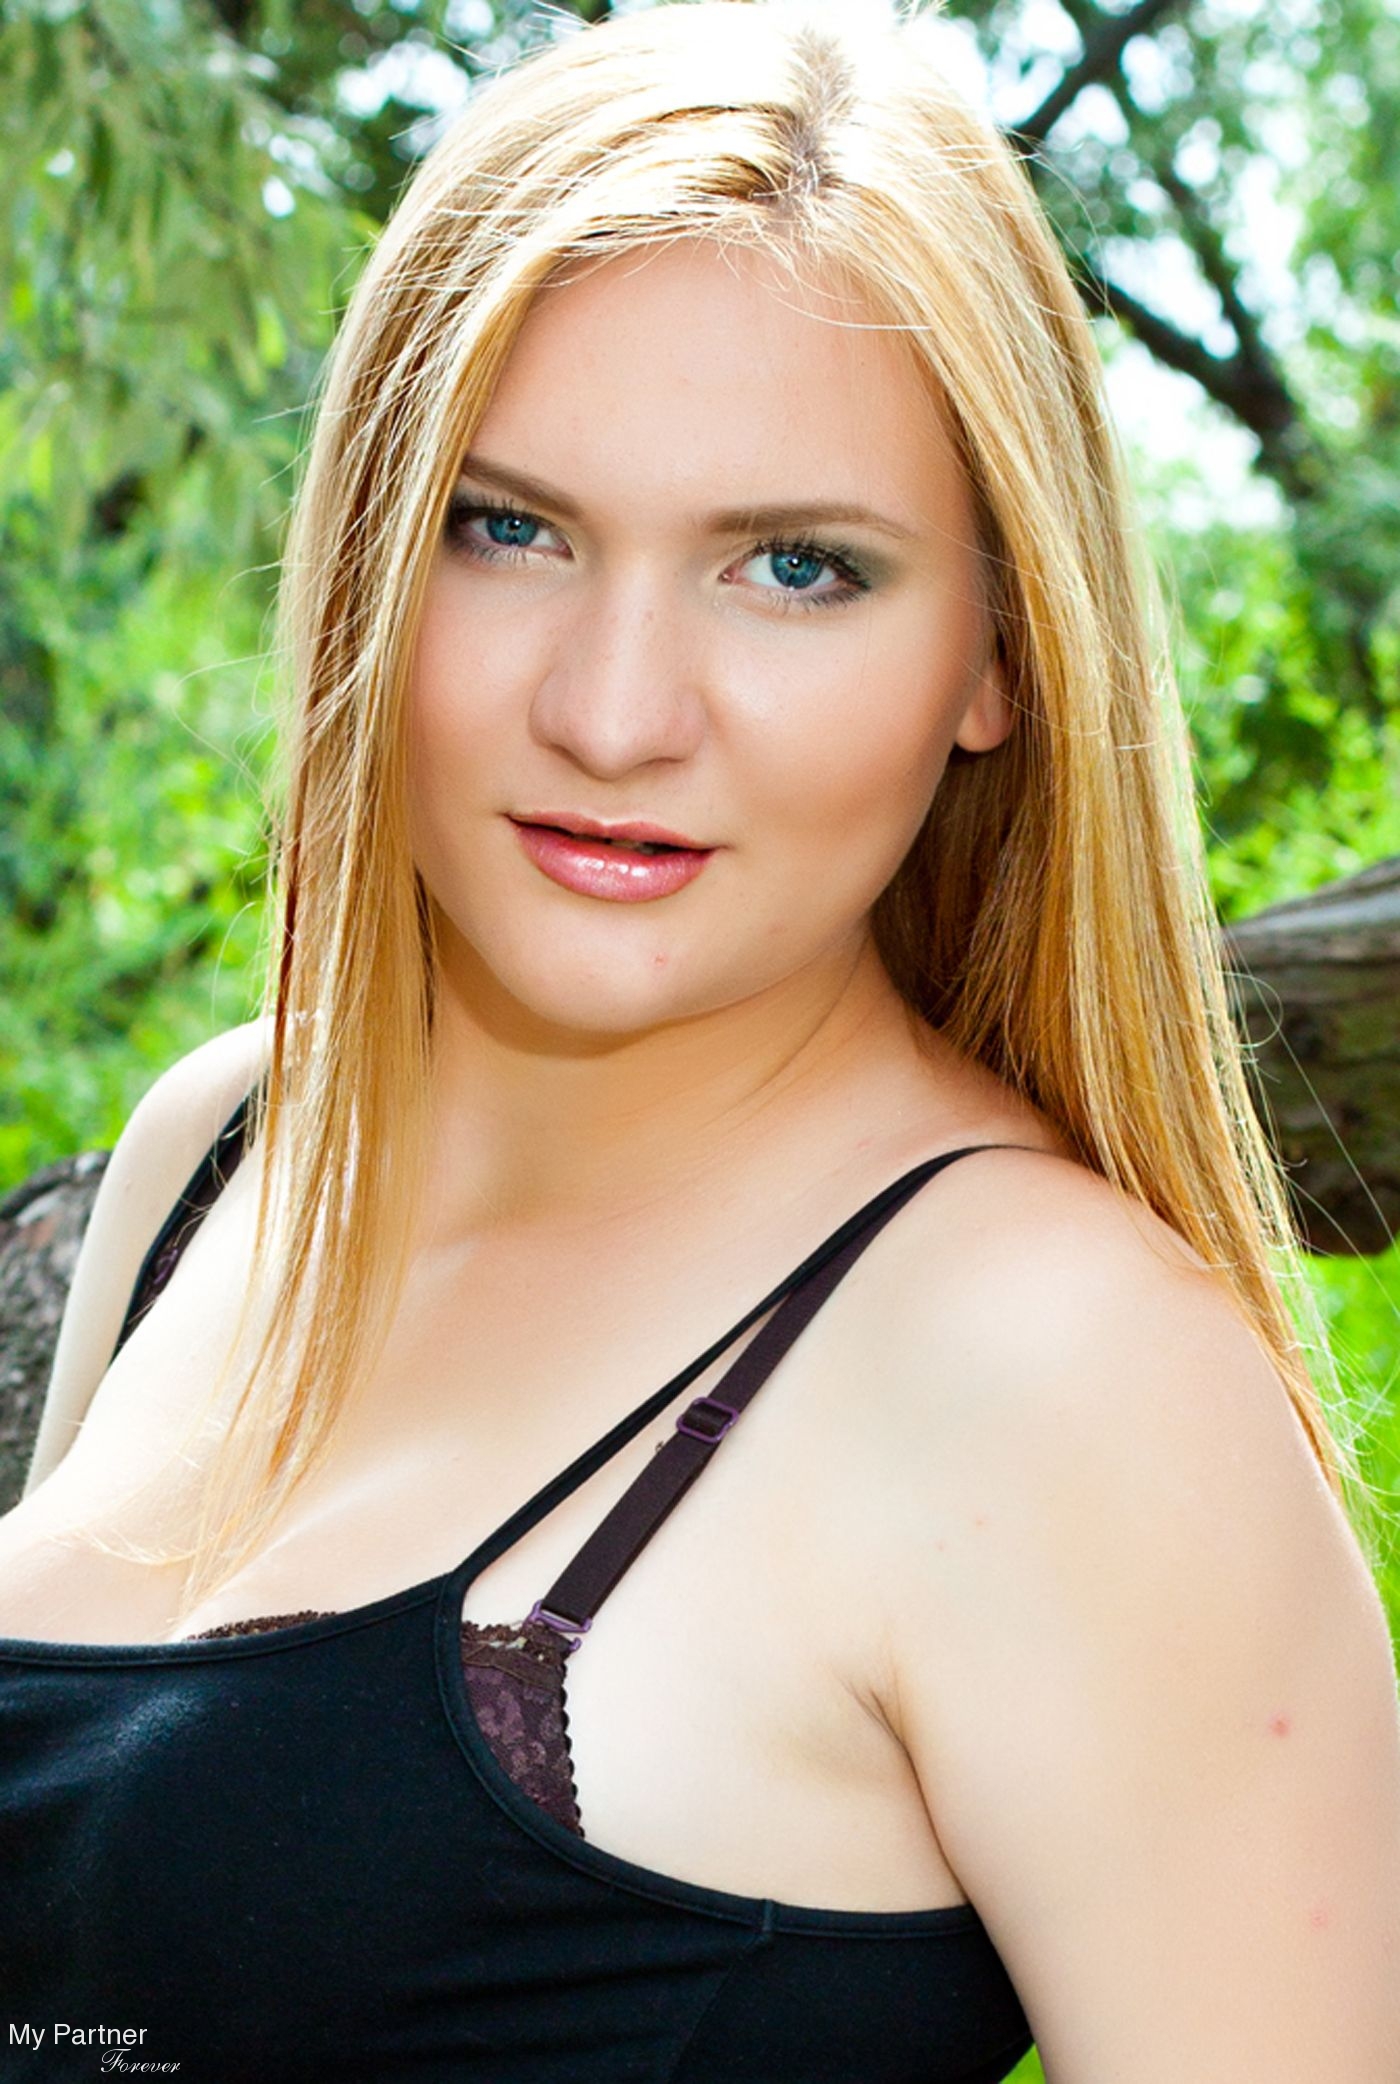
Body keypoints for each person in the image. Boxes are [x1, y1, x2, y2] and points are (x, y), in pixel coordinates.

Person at [2, 3, 1397, 2078]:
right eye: (509, 527)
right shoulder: (229, 1146)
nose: (614, 711)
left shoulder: (1067, 1372)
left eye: (798, 566)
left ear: (1000, 655)